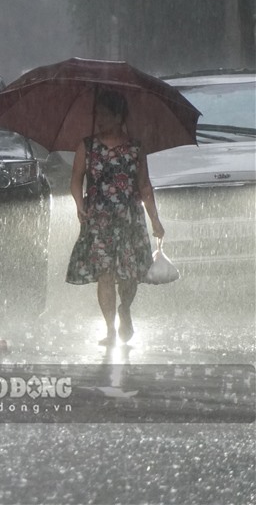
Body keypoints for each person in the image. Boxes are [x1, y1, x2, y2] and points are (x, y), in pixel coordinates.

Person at [66, 89, 165, 346]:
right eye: (98, 114)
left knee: (129, 273)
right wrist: (79, 204)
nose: (100, 120)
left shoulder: (135, 148)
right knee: (105, 274)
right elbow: (76, 181)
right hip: (98, 218)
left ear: (119, 116)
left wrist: (155, 220)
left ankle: (125, 309)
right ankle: (110, 329)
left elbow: (144, 186)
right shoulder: (86, 146)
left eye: (106, 115)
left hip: (129, 217)